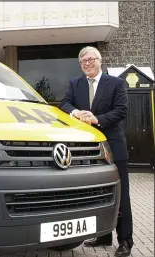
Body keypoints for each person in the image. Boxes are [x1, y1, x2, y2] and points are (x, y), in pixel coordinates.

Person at [59, 46, 133, 257]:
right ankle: (103, 235)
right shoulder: (75, 83)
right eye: (83, 61)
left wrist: (96, 119)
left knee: (121, 196)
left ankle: (126, 240)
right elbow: (64, 103)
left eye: (91, 59)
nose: (87, 63)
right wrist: (74, 112)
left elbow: (121, 110)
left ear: (100, 60)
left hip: (113, 148)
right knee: (95, 194)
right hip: (87, 152)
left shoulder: (117, 83)